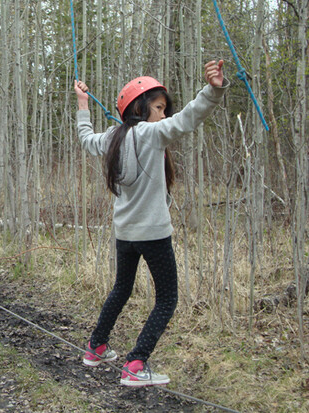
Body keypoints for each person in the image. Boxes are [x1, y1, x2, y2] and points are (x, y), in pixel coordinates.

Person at [74, 60, 228, 386]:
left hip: (124, 233)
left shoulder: (113, 137)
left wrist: (82, 105)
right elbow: (189, 118)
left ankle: (95, 347)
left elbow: (86, 138)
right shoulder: (152, 133)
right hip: (154, 234)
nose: (164, 115)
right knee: (168, 299)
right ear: (141, 108)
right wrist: (213, 90)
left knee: (122, 289)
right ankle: (136, 363)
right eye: (158, 108)